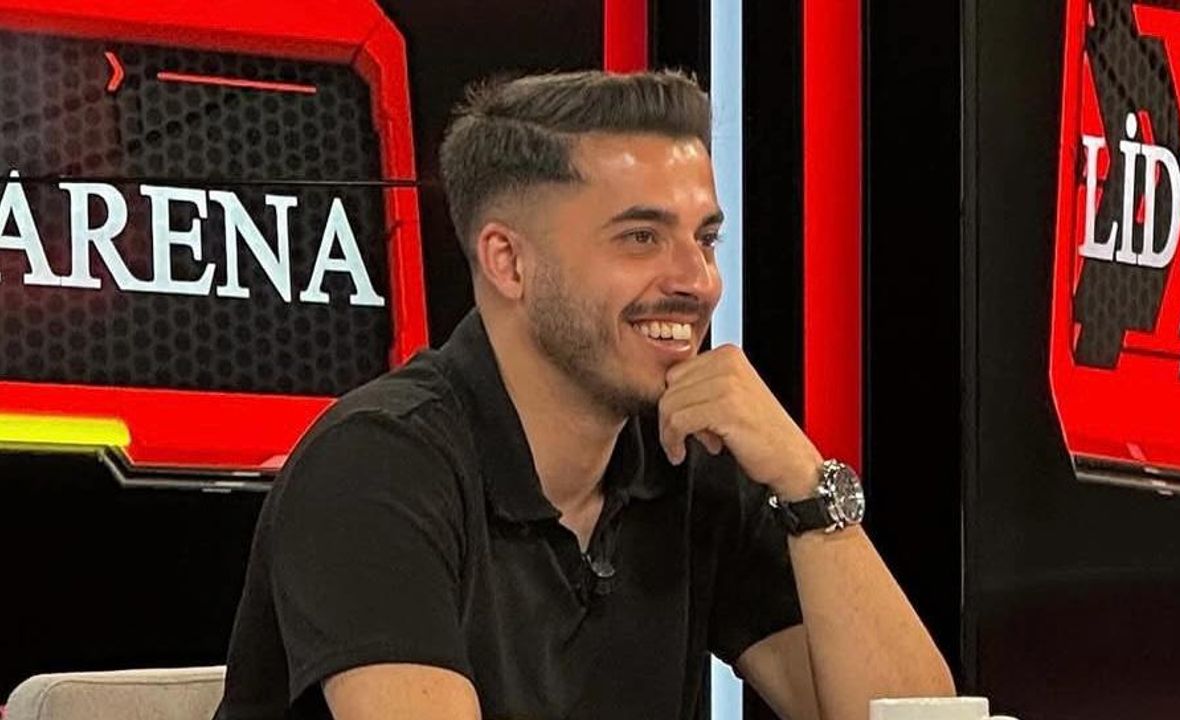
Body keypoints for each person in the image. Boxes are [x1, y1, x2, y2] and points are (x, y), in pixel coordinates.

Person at [214, 70, 953, 720]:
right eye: (641, 238)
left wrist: (805, 482)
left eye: (705, 239)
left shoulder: (689, 460)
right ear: (508, 261)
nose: (697, 281)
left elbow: (916, 719)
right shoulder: (375, 467)